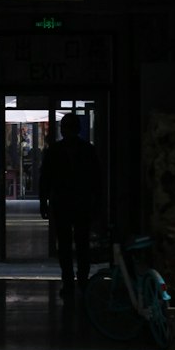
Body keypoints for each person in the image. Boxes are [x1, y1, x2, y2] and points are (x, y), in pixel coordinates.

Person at [38, 113, 103, 299]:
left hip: (63, 203)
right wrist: (97, 203)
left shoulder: (54, 151)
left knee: (66, 246)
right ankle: (82, 281)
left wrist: (44, 202)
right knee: (81, 245)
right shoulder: (87, 150)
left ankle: (69, 282)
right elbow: (96, 180)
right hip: (80, 203)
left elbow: (45, 179)